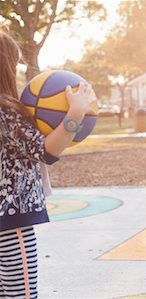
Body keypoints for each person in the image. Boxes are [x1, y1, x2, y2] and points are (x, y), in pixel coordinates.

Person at [0, 29, 95, 298]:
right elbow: (45, 151)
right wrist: (75, 112)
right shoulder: (6, 109)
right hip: (12, 224)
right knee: (23, 295)